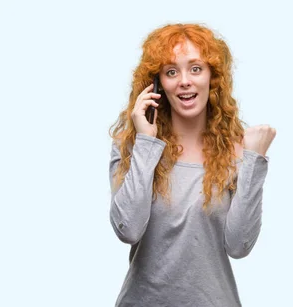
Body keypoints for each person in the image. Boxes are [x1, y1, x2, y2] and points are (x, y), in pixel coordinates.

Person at [108, 23, 276, 307]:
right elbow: (128, 229)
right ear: (157, 84)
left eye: (196, 68)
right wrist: (146, 143)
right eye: (171, 71)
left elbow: (239, 246)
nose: (184, 80)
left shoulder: (238, 152)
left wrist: (254, 161)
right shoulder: (133, 147)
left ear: (213, 77)